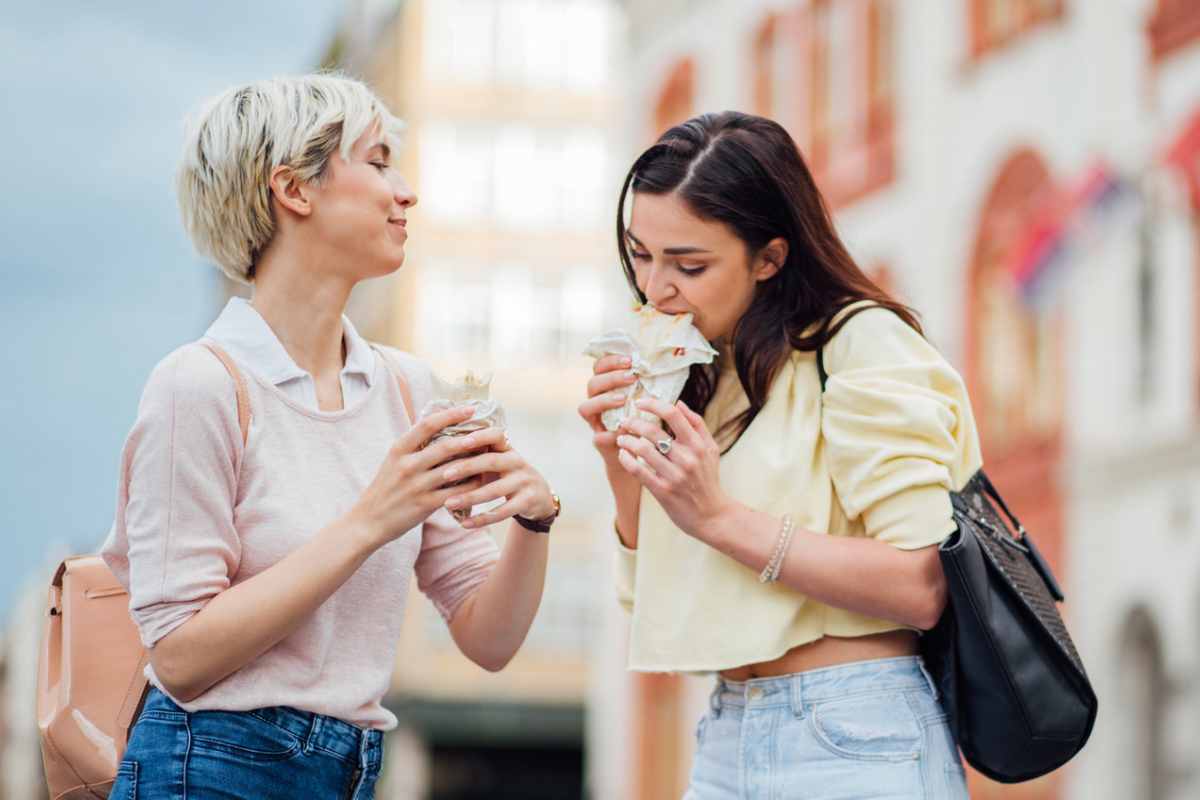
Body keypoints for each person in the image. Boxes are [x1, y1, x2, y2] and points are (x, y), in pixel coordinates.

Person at [101, 74, 560, 800]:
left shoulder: (407, 388)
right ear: (295, 189)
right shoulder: (200, 385)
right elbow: (182, 656)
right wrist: (372, 520)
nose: (405, 191)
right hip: (211, 765)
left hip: (350, 772)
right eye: (377, 161)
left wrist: (535, 523)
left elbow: (489, 640)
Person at [579, 111, 977, 798]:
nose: (654, 289)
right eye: (640, 254)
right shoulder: (703, 367)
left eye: (690, 264)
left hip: (853, 733)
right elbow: (653, 596)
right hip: (726, 735)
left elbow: (921, 586)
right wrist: (622, 467)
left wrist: (719, 518)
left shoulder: (859, 345)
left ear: (770, 256)